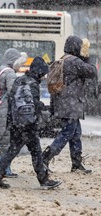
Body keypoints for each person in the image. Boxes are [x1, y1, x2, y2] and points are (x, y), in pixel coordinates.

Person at [0, 57, 62, 189]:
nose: (44, 76)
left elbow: (11, 100)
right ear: (39, 72)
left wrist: (11, 120)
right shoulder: (33, 84)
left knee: (12, 150)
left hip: (16, 122)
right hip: (29, 124)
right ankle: (44, 180)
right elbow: (34, 105)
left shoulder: (19, 80)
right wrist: (45, 110)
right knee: (36, 152)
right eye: (43, 73)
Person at [42, 36, 97, 174]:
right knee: (67, 133)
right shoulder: (74, 61)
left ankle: (76, 164)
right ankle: (46, 156)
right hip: (71, 104)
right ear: (76, 47)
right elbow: (92, 72)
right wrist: (87, 56)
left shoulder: (62, 59)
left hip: (64, 103)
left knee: (76, 133)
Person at [0, 48, 27, 178]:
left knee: (4, 138)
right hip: (6, 109)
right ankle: (5, 168)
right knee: (6, 140)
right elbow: (14, 93)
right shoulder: (10, 73)